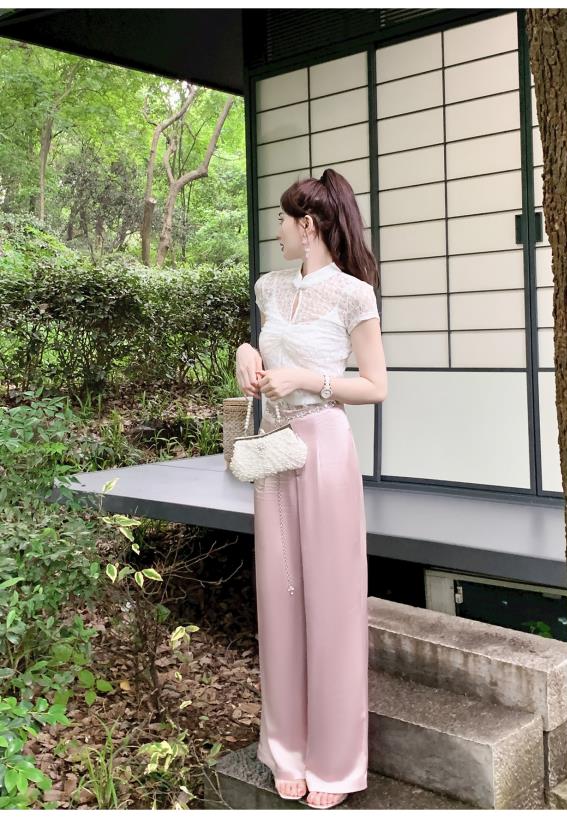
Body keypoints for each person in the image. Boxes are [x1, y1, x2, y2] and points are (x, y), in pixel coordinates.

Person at [235, 168, 387, 809]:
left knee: (330, 600)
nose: (275, 229)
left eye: (282, 219)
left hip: (324, 446)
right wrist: (247, 357)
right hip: (273, 446)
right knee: (279, 597)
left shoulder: (354, 294)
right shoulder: (269, 287)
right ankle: (286, 749)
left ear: (308, 226)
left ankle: (335, 761)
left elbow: (375, 386)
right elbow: (260, 351)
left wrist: (307, 377)